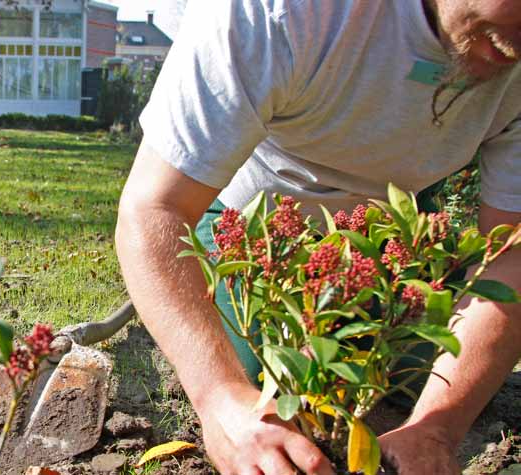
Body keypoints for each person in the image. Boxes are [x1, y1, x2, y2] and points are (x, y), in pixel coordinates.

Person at [116, 1, 521, 474]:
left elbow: (509, 253)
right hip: (251, 219)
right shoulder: (280, 12)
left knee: (408, 376)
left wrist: (437, 425)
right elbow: (154, 208)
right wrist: (220, 397)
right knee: (269, 390)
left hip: (394, 224)